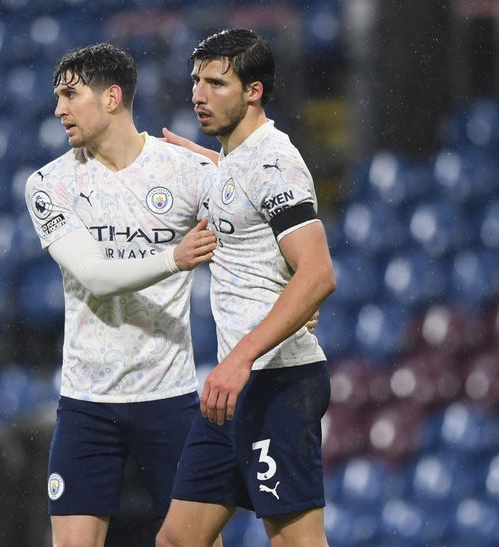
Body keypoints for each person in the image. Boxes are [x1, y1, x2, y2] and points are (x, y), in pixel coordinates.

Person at [24, 43, 222, 547]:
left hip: (169, 397)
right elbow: (94, 274)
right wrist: (173, 258)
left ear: (112, 97)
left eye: (70, 94)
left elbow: (256, 233)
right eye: (57, 97)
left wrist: (290, 299)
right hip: (88, 401)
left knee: (193, 543)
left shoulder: (187, 174)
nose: (58, 108)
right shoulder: (50, 183)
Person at [156, 29, 336, 547]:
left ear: (254, 91)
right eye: (196, 81)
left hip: (277, 382)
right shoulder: (233, 158)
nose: (199, 94)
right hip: (233, 390)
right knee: (177, 541)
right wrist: (197, 154)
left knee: (295, 543)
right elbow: (237, 182)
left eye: (217, 83)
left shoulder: (274, 162)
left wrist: (238, 361)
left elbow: (318, 273)